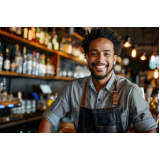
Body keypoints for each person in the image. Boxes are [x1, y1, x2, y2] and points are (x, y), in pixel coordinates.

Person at [38, 27, 158, 133]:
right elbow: (48, 119)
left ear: (114, 59)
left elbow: (149, 130)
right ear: (87, 57)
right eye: (94, 53)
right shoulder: (73, 88)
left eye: (106, 54)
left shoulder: (130, 91)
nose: (100, 59)